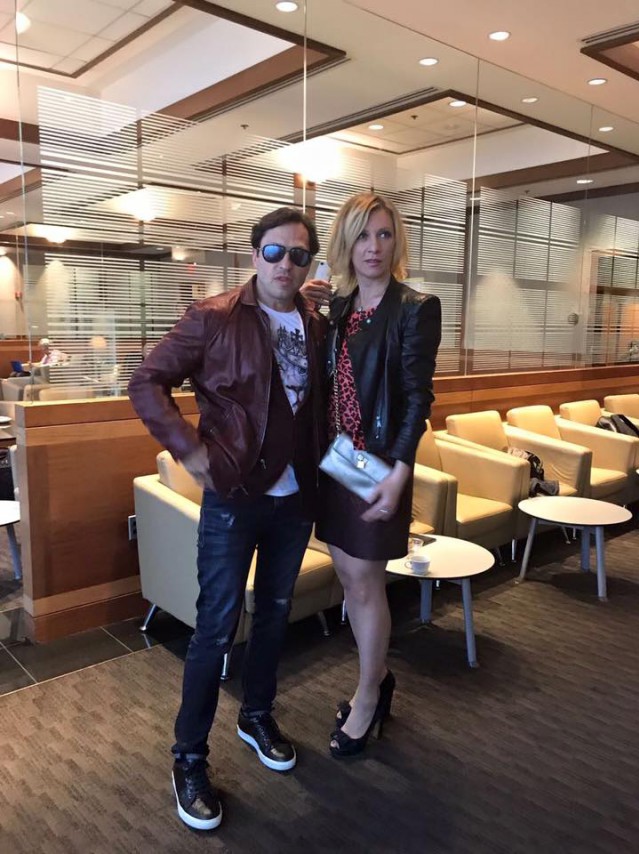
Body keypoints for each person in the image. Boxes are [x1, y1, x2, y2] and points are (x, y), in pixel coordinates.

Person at [128, 207, 327, 831]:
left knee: (274, 614)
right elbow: (146, 382)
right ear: (254, 255)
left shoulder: (316, 324)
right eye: (275, 251)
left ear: (309, 263)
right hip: (234, 496)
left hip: (296, 499)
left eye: (299, 254)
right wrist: (189, 451)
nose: (286, 264)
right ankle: (188, 758)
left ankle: (256, 715)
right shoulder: (213, 317)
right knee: (215, 628)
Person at [308, 192, 441, 759]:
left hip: (379, 464)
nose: (374, 247)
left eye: (384, 234)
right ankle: (379, 678)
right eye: (362, 235)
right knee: (347, 572)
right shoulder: (337, 309)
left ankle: (368, 695)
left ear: (396, 241)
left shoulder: (414, 308)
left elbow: (417, 398)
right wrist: (305, 304)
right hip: (337, 462)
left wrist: (399, 472)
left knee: (365, 582)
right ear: (346, 242)